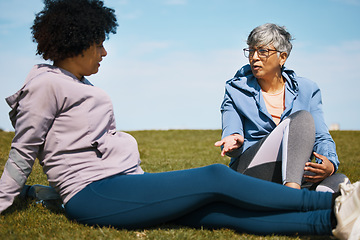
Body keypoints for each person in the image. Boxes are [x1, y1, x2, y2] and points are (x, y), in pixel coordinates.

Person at [0, 1, 359, 239]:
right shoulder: (46, 84)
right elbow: (23, 151)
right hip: (96, 193)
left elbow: (66, 147)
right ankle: (334, 204)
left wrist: (42, 193)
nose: (104, 51)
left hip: (119, 185)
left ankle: (328, 224)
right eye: (98, 44)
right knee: (215, 176)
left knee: (216, 212)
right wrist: (5, 199)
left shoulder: (74, 83)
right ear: (75, 43)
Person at [215, 23, 348, 192]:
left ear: (282, 57)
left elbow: (321, 136)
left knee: (339, 183)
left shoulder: (308, 89)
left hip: (294, 173)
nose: (254, 57)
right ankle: (291, 195)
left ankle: (293, 201)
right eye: (251, 50)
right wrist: (234, 141)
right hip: (250, 172)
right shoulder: (235, 90)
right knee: (301, 119)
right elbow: (231, 131)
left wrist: (329, 164)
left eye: (262, 51)